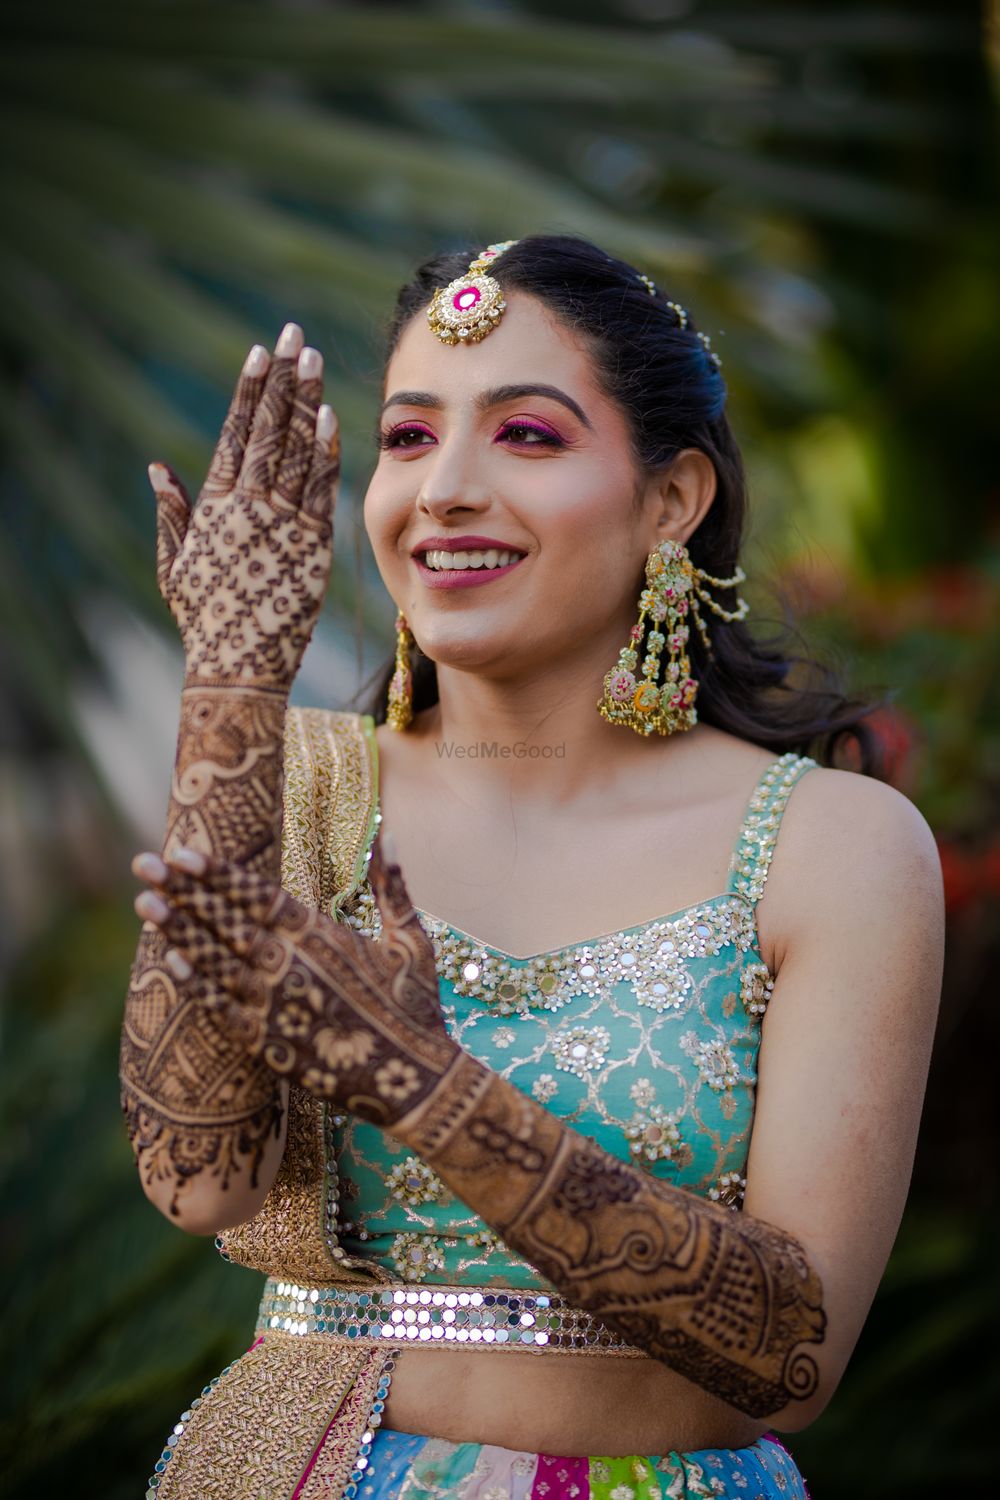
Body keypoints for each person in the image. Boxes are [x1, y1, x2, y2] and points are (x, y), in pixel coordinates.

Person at [122, 235, 945, 1500]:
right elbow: (198, 1181)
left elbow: (793, 1351)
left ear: (672, 498)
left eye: (528, 436)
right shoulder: (302, 781)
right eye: (406, 438)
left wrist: (423, 1086)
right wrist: (228, 687)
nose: (443, 488)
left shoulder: (829, 845)